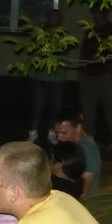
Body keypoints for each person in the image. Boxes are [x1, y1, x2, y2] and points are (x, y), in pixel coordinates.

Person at [78, 7, 112, 148]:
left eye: (99, 13)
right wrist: (82, 67)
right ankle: (88, 140)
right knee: (88, 110)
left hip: (104, 75)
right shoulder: (90, 30)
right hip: (87, 74)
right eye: (94, 13)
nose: (96, 16)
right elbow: (84, 51)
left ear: (105, 14)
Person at [28, 9, 66, 146]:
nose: (54, 19)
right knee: (37, 107)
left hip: (57, 77)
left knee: (55, 109)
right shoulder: (42, 33)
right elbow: (36, 51)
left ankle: (52, 133)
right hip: (41, 76)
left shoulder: (63, 34)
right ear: (48, 19)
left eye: (57, 17)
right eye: (52, 17)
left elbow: (64, 51)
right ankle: (33, 134)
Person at [53, 106, 101, 198]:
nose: (59, 137)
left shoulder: (87, 151)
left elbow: (84, 193)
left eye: (64, 133)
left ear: (78, 127)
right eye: (57, 133)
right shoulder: (70, 143)